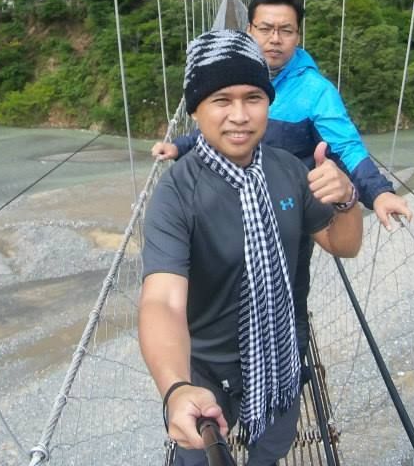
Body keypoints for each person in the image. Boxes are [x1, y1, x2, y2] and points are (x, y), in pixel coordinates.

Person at [140, 29, 366, 465]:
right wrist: (175, 387)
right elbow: (162, 301)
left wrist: (348, 198)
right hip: (205, 371)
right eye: (221, 101)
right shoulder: (177, 194)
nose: (240, 116)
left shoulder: (289, 171)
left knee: (272, 452)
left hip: (282, 356)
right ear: (197, 110)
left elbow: (344, 244)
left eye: (253, 98)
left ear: (269, 102)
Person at [152, 0, 412, 229]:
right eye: (265, 29)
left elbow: (346, 146)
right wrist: (181, 146)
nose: (275, 39)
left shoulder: (315, 91)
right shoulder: (231, 71)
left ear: (297, 36)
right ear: (248, 29)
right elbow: (225, 126)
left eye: (286, 30)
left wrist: (379, 192)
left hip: (287, 213)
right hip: (230, 199)